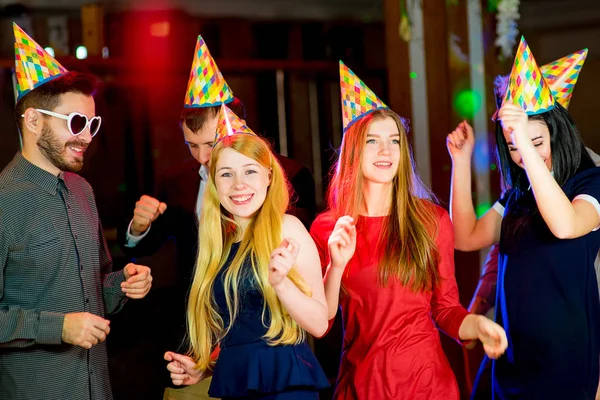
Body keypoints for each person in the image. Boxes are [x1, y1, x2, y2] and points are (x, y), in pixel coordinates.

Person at [117, 35, 317, 399]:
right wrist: (139, 228)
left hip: (271, 342)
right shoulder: (175, 179)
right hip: (194, 338)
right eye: (191, 146)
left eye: (210, 145)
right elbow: (149, 247)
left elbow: (305, 271)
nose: (202, 158)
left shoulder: (288, 176)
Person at [309, 61, 507, 400]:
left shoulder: (431, 220)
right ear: (354, 150)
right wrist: (334, 266)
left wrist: (478, 325)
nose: (386, 151)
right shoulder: (328, 228)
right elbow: (319, 322)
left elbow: (446, 309)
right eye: (373, 141)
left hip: (427, 384)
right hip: (362, 384)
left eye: (394, 141)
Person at [0, 23, 152, 400]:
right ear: (33, 121)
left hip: (96, 386)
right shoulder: (5, 200)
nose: (86, 136)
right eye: (76, 123)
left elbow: (94, 290)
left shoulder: (82, 190)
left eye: (92, 124)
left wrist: (123, 284)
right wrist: (59, 327)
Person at [448, 37, 600, 399]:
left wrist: (524, 142)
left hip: (567, 362)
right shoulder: (517, 196)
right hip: (514, 359)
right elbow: (465, 237)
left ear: (558, 135)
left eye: (535, 141)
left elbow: (565, 225)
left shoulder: (591, 182)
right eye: (513, 146)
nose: (522, 155)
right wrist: (461, 162)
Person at [163, 106, 329, 400]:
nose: (239, 185)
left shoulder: (286, 228)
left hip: (285, 387)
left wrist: (281, 283)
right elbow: (241, 330)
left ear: (268, 176)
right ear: (214, 184)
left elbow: (319, 324)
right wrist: (205, 367)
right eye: (226, 174)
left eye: (249, 171)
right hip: (236, 386)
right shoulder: (218, 244)